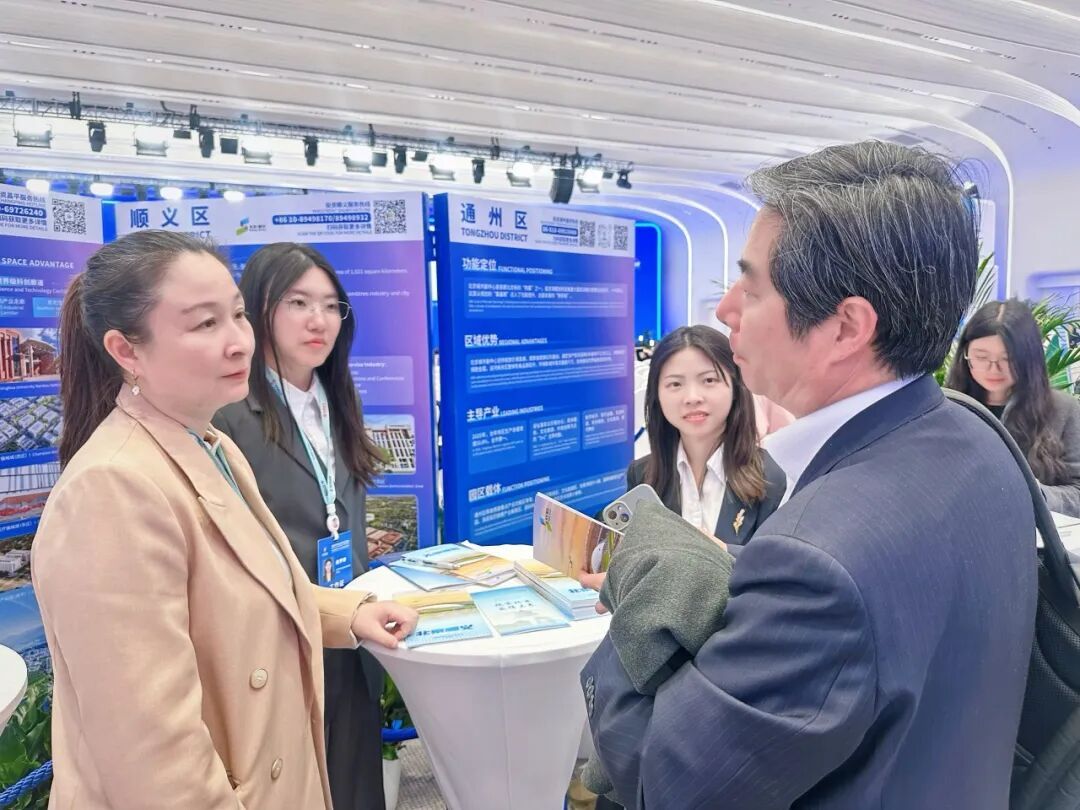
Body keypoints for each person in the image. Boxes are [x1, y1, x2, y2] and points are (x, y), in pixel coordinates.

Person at [581, 141, 1037, 809]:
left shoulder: (819, 559)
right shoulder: (976, 438)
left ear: (846, 327)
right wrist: (733, 566)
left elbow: (666, 783)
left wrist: (636, 597)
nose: (726, 310)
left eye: (751, 287)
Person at [32, 230, 417, 810]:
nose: (239, 343)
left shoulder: (210, 444)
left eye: (237, 315)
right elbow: (158, 763)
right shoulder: (111, 489)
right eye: (205, 324)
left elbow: (245, 592)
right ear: (126, 351)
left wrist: (347, 613)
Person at [213, 242, 389, 810]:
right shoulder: (228, 417)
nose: (319, 320)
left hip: (351, 633)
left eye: (332, 305)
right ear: (257, 308)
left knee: (355, 782)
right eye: (298, 302)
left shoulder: (335, 397)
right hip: (281, 645)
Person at [625, 325, 786, 546]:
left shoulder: (771, 477)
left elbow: (775, 561)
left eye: (709, 380)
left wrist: (721, 554)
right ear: (657, 395)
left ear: (735, 387)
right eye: (675, 384)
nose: (692, 397)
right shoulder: (642, 475)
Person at [946, 299, 1080, 516]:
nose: (993, 369)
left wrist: (1036, 494)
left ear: (1030, 359)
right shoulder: (947, 407)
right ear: (965, 355)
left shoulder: (1063, 410)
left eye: (1007, 359)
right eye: (981, 357)